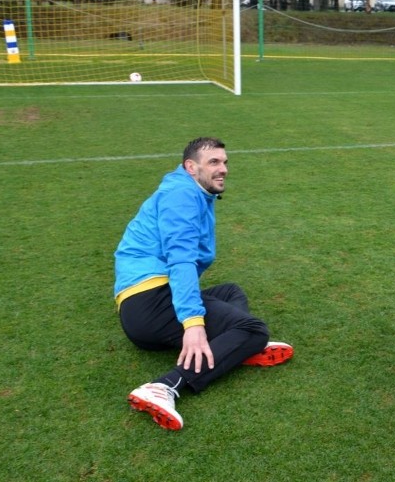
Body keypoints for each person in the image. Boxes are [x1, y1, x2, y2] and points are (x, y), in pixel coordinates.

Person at [114, 137, 293, 431]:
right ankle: (164, 386)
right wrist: (193, 322)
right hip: (149, 302)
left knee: (231, 291)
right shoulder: (181, 196)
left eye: (225, 162)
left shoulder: (190, 191)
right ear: (190, 166)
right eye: (213, 162)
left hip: (144, 307)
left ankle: (232, 349)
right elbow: (181, 259)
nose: (223, 169)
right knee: (253, 329)